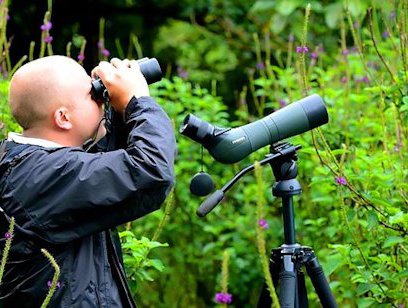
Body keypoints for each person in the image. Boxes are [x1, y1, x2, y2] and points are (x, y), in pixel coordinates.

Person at [0, 55, 176, 307]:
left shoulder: (29, 164)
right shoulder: (41, 175)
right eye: (93, 95)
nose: (100, 100)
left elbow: (110, 162)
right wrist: (139, 100)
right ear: (63, 118)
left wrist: (121, 104)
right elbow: (149, 172)